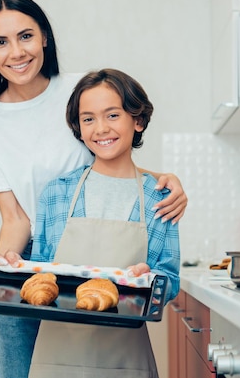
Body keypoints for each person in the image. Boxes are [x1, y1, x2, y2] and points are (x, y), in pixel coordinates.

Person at [0, 0, 187, 378]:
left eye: (26, 36)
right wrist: (2, 268)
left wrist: (163, 181)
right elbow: (16, 220)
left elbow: (110, 158)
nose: (16, 52)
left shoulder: (79, 91)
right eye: (0, 42)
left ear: (44, 36)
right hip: (33, 261)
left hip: (108, 262)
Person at [28, 68, 179, 377]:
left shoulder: (159, 197)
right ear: (78, 128)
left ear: (137, 121)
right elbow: (38, 271)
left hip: (125, 359)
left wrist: (148, 280)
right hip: (56, 357)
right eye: (88, 119)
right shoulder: (57, 193)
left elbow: (170, 279)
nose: (100, 128)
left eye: (112, 115)